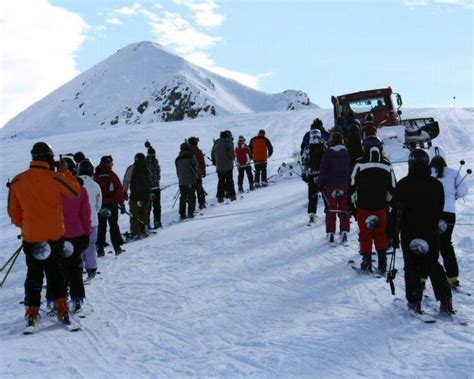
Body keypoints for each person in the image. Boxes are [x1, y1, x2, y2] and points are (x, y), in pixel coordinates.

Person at [8, 142, 81, 331]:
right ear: (49, 157)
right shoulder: (56, 178)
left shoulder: (17, 181)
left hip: (31, 236)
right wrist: (66, 172)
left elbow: (13, 211)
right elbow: (75, 192)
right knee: (56, 273)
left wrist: (26, 225)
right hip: (54, 235)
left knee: (33, 275)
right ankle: (62, 309)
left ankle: (32, 312)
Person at [392, 149, 454, 315]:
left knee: (411, 266)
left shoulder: (403, 184)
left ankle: (414, 300)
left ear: (410, 164)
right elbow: (440, 207)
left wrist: (393, 234)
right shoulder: (436, 184)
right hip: (430, 231)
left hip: (409, 231)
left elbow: (396, 212)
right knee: (432, 264)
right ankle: (446, 299)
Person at [351, 142, 396, 273]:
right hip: (381, 205)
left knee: (366, 233)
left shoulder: (359, 163)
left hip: (363, 205)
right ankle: (382, 262)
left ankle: (367, 262)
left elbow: (352, 184)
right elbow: (393, 186)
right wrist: (387, 200)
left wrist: (354, 201)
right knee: (380, 233)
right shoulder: (387, 165)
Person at [429, 146, 469, 288]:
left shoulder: (427, 173)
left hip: (431, 213)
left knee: (431, 244)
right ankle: (453, 277)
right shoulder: (453, 173)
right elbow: (464, 190)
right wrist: (454, 197)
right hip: (449, 214)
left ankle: (425, 277)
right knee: (446, 244)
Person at [59, 157, 92, 314]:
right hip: (77, 233)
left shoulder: (54, 189)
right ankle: (77, 298)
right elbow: (86, 214)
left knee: (59, 268)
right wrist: (87, 233)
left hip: (58, 233)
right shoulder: (80, 189)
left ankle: (60, 299)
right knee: (75, 267)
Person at [319, 132, 352, 245]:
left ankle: (331, 233)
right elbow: (350, 168)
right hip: (344, 184)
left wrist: (321, 183)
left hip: (331, 185)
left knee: (331, 209)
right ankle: (344, 232)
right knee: (344, 208)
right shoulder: (346, 153)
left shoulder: (328, 153)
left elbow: (323, 169)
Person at [94, 155, 125, 256]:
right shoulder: (112, 175)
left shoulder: (96, 175)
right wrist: (121, 203)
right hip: (112, 205)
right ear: (107, 163)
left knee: (101, 227)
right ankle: (117, 247)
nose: (112, 164)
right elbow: (119, 190)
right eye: (111, 162)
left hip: (99, 206)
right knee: (113, 226)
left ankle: (100, 249)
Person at [77, 159, 102, 281]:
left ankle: (78, 267)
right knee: (91, 245)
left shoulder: (75, 184)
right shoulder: (95, 185)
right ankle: (91, 268)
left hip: (78, 222)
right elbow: (99, 204)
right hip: (93, 221)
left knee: (78, 246)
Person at [123, 153, 152, 239]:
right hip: (146, 196)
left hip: (135, 196)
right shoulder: (146, 169)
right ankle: (145, 230)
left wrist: (124, 192)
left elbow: (126, 180)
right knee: (144, 213)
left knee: (134, 215)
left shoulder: (132, 168)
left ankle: (135, 233)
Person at [301, 129, 327, 222]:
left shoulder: (308, 148)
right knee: (325, 194)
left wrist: (305, 175)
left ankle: (312, 214)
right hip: (323, 174)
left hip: (312, 175)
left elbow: (304, 161)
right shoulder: (324, 145)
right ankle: (329, 212)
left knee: (312, 196)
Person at [175, 142, 200, 219]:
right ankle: (190, 212)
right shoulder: (191, 157)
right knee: (191, 196)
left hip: (182, 181)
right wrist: (197, 177)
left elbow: (177, 171)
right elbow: (196, 168)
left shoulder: (177, 159)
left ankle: (182, 214)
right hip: (191, 180)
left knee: (183, 197)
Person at [211, 131, 236, 202]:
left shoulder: (216, 144)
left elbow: (213, 155)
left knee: (221, 181)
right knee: (229, 181)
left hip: (219, 166)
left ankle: (220, 197)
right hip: (228, 166)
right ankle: (232, 195)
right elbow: (232, 156)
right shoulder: (228, 144)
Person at [188, 137, 207, 209]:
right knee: (199, 189)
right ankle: (202, 203)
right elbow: (202, 162)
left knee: (191, 191)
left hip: (189, 174)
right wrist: (203, 171)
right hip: (197, 173)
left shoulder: (187, 151)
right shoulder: (198, 151)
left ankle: (191, 207)